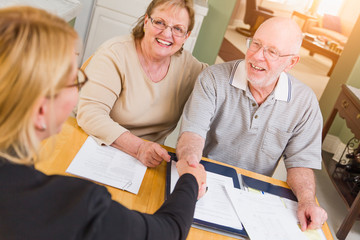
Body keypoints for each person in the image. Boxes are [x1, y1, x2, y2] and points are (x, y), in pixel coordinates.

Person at [0, 6, 207, 240]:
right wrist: (189, 181)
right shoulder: (73, 206)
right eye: (74, 80)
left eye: (178, 28)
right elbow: (167, 233)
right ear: (41, 110)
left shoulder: (188, 65)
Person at [176, 17, 328, 231]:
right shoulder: (213, 78)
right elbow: (192, 134)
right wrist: (191, 164)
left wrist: (307, 201)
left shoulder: (305, 102)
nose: (257, 56)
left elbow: (300, 163)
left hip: (252, 194)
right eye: (256, 44)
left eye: (272, 52)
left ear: (291, 62)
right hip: (204, 177)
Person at [76, 0, 207, 168]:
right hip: (92, 144)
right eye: (160, 22)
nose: (167, 34)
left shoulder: (189, 67)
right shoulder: (115, 53)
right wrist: (139, 148)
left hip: (145, 162)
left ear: (186, 37)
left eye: (177, 29)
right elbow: (90, 114)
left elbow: (218, 84)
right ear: (146, 21)